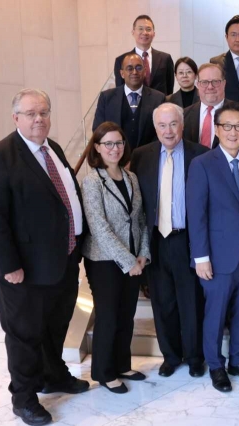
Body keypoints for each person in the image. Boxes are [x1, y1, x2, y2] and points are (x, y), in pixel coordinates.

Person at [0, 88, 89, 426]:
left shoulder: (51, 149)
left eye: (43, 113)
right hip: (23, 269)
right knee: (24, 334)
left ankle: (53, 375)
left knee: (55, 326)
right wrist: (9, 265)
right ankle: (23, 398)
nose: (39, 119)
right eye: (31, 114)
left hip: (62, 261)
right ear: (16, 118)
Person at [186, 103, 239, 393]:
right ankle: (216, 366)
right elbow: (197, 214)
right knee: (215, 314)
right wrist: (201, 257)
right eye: (227, 126)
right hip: (217, 256)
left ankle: (238, 362)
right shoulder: (202, 164)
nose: (234, 132)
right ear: (217, 130)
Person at [130, 103, 209, 378]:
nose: (168, 130)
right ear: (155, 128)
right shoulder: (141, 156)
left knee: (192, 302)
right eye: (162, 125)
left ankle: (195, 356)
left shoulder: (201, 154)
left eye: (173, 124)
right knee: (162, 302)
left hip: (189, 239)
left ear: (182, 125)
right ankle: (171, 356)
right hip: (156, 240)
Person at [81, 121, 150, 394]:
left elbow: (141, 219)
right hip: (104, 262)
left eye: (118, 143)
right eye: (107, 143)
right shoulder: (92, 181)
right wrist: (128, 261)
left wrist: (143, 253)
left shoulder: (131, 177)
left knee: (126, 315)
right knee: (108, 316)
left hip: (134, 258)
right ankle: (104, 372)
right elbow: (99, 227)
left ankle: (122, 364)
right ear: (97, 147)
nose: (114, 148)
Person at [183, 63, 239, 162]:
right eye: (204, 82)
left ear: (224, 83)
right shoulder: (184, 115)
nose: (210, 87)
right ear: (197, 85)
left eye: (215, 82)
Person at [94, 53, 165, 150]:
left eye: (139, 68)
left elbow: (161, 131)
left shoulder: (158, 98)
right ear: (122, 73)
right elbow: (98, 130)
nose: (134, 72)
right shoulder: (106, 98)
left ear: (144, 72)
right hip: (115, 157)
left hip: (147, 158)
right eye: (130, 68)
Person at [114, 15, 175, 95]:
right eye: (140, 29)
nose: (145, 32)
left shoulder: (165, 58)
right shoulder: (121, 60)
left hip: (160, 105)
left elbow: (169, 89)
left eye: (148, 29)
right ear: (133, 32)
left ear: (153, 34)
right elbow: (120, 90)